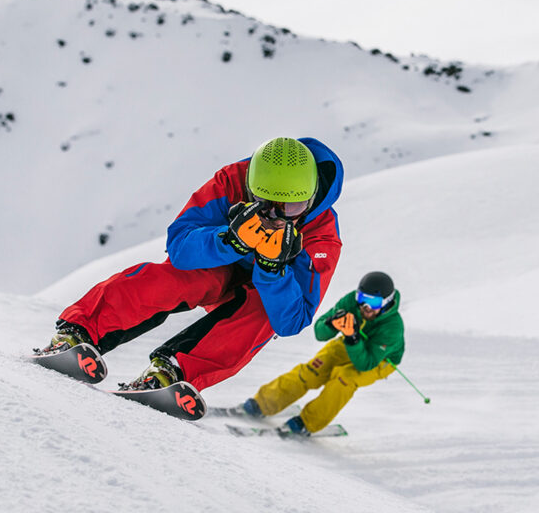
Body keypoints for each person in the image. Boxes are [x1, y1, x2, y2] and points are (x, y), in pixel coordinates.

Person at [39, 137, 344, 392]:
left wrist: (273, 270)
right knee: (177, 278)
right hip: (216, 269)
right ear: (251, 188)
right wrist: (230, 241)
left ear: (312, 196)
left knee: (263, 315)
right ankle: (78, 332)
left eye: (292, 207)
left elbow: (292, 320)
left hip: (258, 293)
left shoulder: (322, 235)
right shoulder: (232, 181)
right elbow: (180, 246)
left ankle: (172, 371)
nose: (276, 216)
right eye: (265, 203)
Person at [239, 271, 405, 436]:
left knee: (343, 379)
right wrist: (331, 324)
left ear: (386, 302)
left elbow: (365, 364)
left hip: (380, 359)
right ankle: (261, 404)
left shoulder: (393, 327)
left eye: (373, 303)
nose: (365, 307)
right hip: (350, 342)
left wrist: (353, 338)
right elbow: (320, 332)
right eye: (362, 299)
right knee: (311, 371)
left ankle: (307, 423)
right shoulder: (351, 302)